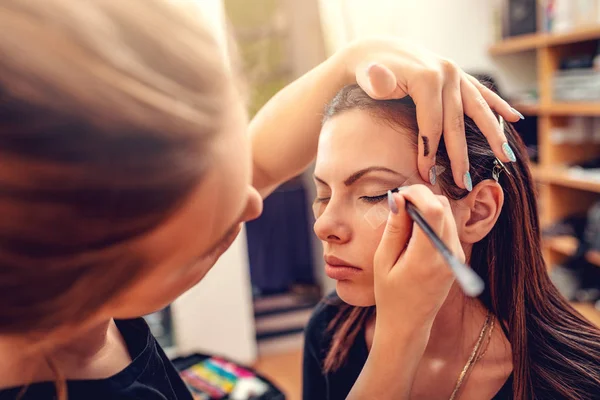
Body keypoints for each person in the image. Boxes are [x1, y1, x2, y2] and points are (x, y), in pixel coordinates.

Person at [0, 1, 524, 399]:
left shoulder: (64, 312)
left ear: (477, 208)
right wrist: (402, 335)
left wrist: (352, 60)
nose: (255, 206)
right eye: (218, 228)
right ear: (90, 258)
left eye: (370, 191)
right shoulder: (333, 336)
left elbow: (263, 161)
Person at [303, 84, 600, 400]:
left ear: (477, 213)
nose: (323, 225)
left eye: (373, 194)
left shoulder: (580, 385)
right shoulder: (329, 331)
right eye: (324, 194)